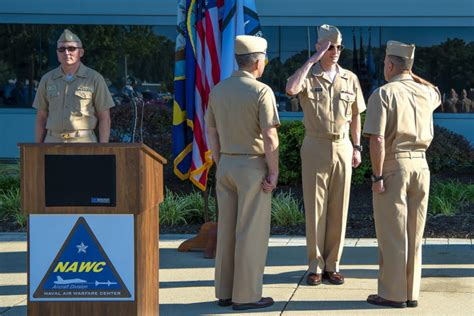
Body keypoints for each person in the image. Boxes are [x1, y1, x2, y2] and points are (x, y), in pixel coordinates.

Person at [363, 40, 441, 308]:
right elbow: (436, 90)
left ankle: (392, 294)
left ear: (389, 64)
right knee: (414, 234)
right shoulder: (426, 93)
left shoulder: (383, 94)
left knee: (392, 234)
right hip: (422, 166)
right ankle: (411, 293)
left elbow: (378, 140)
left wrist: (376, 176)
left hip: (395, 166)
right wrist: (410, 72)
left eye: (386, 63)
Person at [286, 24, 366, 286]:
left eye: (338, 47)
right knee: (315, 208)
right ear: (320, 47)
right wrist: (312, 60)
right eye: (330, 47)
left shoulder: (350, 78)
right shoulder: (309, 76)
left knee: (339, 208)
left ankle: (333, 264)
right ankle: (315, 265)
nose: (335, 52)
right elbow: (291, 89)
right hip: (316, 145)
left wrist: (357, 147)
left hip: (342, 146)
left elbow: (356, 115)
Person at [205, 35, 280, 311]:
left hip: (226, 163)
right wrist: (273, 171)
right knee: (251, 232)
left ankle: (224, 291)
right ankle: (246, 296)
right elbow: (270, 136)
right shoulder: (261, 92)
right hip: (251, 165)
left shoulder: (218, 90)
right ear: (259, 62)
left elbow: (210, 131)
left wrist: (219, 160)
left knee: (226, 229)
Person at [33, 29, 114, 143]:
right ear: (57, 54)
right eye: (61, 49)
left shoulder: (94, 79)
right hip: (53, 141)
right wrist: (37, 148)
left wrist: (103, 149)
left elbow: (104, 118)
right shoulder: (47, 79)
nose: (66, 53)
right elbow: (41, 118)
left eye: (71, 48)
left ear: (81, 52)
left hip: (84, 142)